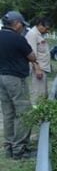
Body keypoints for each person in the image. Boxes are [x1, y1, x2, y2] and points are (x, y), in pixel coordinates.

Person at [0, 11, 38, 159]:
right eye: (22, 25)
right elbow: (32, 57)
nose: (23, 28)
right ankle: (19, 150)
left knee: (8, 113)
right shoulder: (17, 39)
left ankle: (9, 147)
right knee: (24, 112)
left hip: (1, 77)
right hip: (15, 79)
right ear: (16, 23)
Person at [25, 17, 52, 105]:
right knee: (38, 95)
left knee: (43, 94)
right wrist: (37, 69)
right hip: (38, 70)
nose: (47, 31)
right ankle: (37, 116)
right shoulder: (32, 34)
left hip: (43, 69)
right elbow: (32, 54)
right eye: (46, 28)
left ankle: (42, 115)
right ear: (40, 25)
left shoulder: (39, 35)